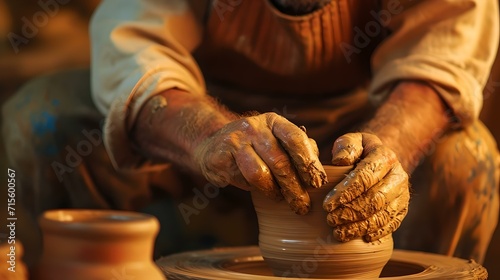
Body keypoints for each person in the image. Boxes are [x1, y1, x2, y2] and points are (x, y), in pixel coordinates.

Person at [2, 0, 499, 267]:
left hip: (362, 118)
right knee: (38, 118)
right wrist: (210, 137)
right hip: (195, 114)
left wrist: (392, 143)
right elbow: (133, 46)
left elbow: (444, 51)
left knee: (469, 157)